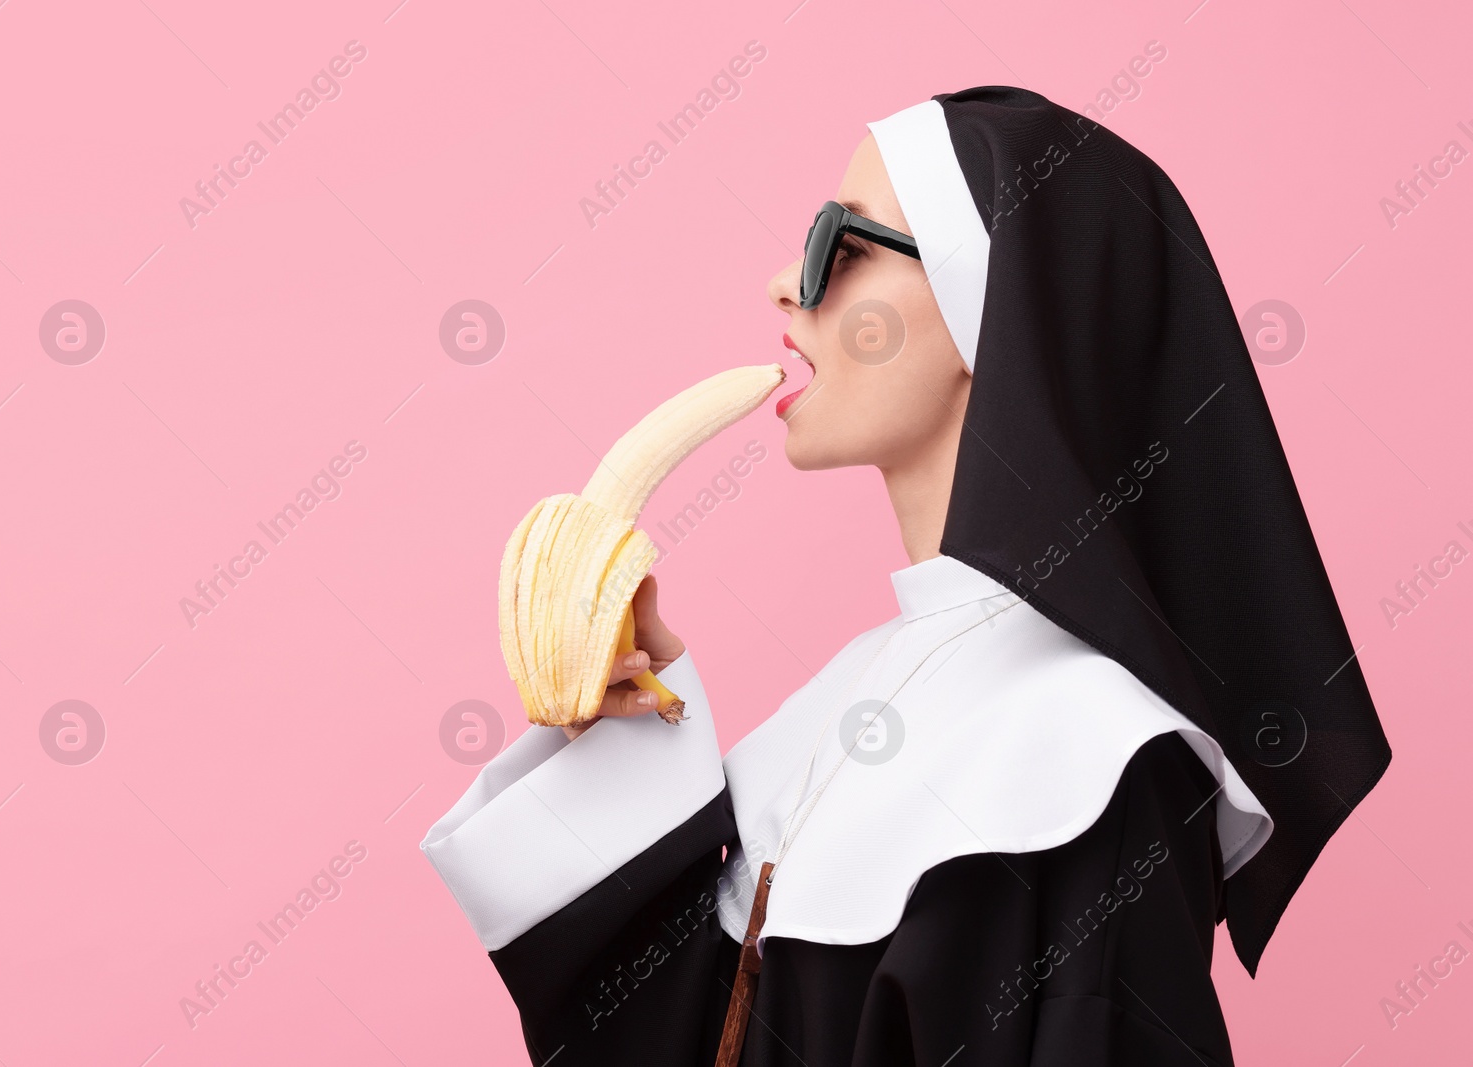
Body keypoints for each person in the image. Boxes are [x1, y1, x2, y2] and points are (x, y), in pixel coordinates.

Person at [421, 86, 1391, 1066]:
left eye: (838, 247)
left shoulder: (1098, 761)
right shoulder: (857, 692)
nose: (782, 285)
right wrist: (621, 742)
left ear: (999, 305)